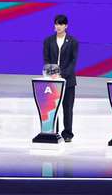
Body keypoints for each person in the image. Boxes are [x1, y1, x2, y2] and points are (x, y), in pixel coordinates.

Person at [42, 14, 78, 142]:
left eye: (61, 24)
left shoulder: (73, 41)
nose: (58, 26)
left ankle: (67, 134)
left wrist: (61, 74)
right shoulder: (48, 41)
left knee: (67, 108)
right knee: (53, 107)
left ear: (66, 26)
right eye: (57, 24)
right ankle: (54, 131)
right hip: (52, 80)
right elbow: (46, 59)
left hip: (68, 81)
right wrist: (51, 73)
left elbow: (73, 62)